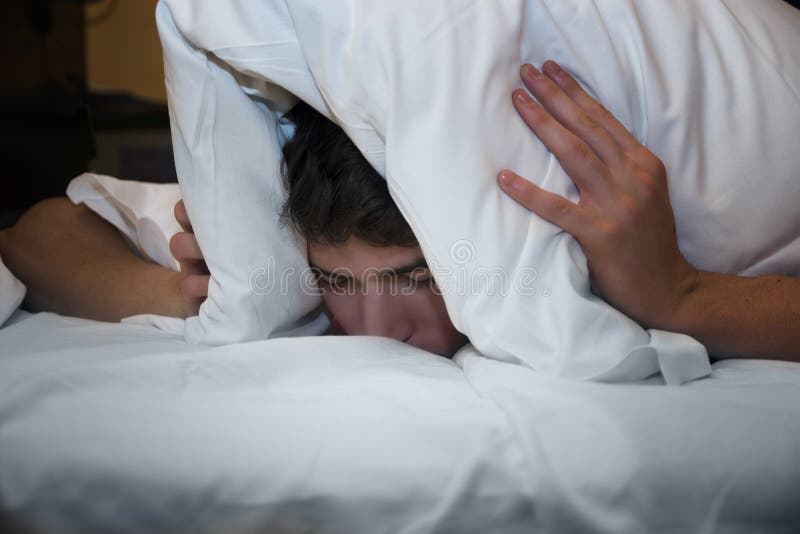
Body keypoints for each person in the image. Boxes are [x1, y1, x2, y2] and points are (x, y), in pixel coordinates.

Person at [2, 62, 798, 361]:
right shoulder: (289, 219)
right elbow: (36, 233)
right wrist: (193, 294)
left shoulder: (589, 226)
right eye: (337, 284)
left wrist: (685, 295)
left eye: (412, 275)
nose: (378, 333)